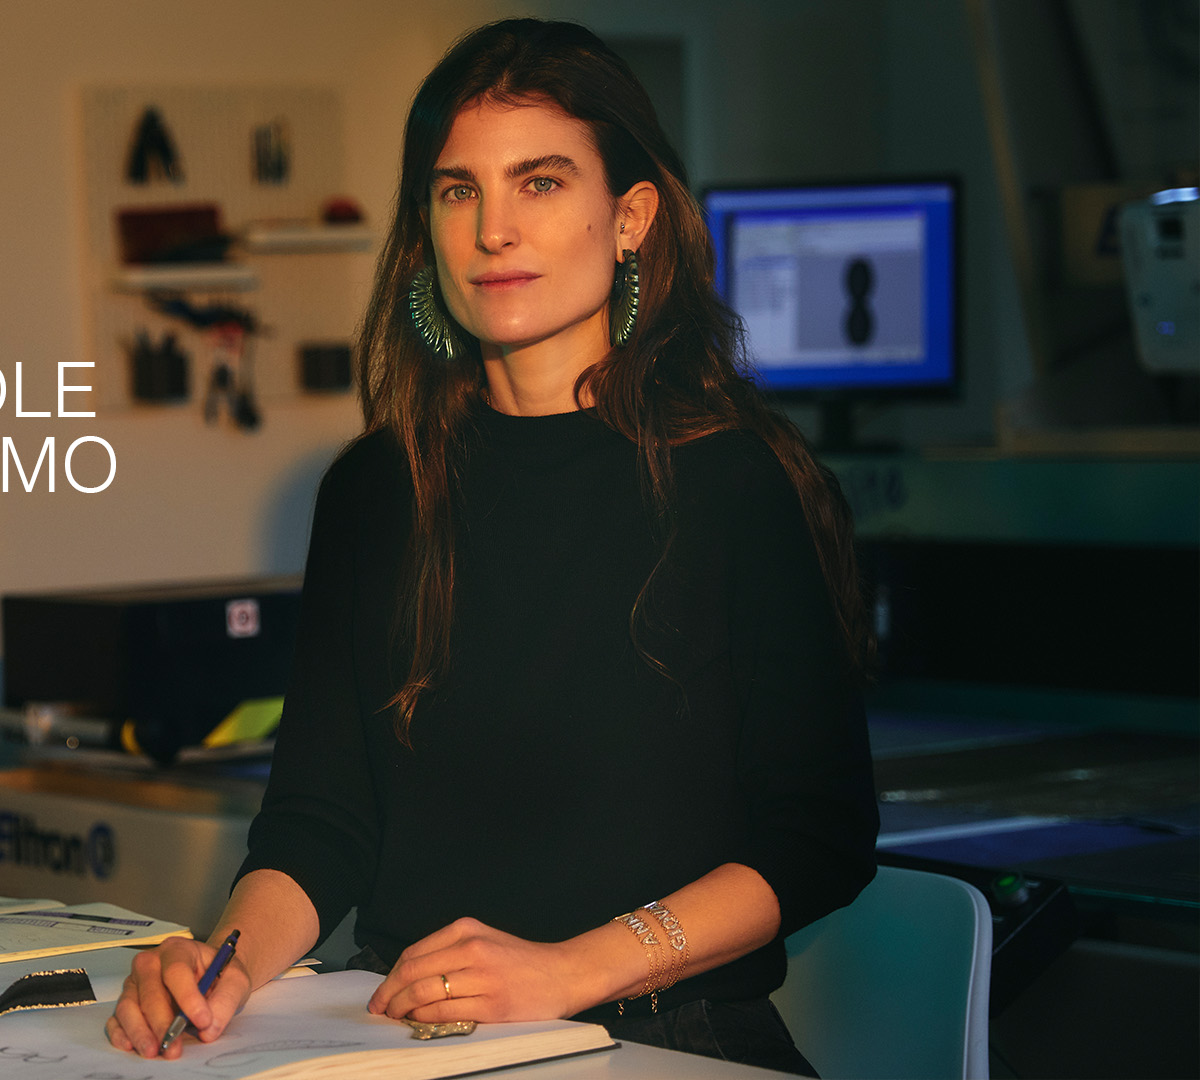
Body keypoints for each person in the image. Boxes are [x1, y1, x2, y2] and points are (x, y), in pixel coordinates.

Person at [107, 18, 878, 1076]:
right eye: (459, 190)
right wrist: (224, 963)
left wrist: (568, 972)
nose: (494, 230)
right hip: (412, 1031)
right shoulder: (377, 490)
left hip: (662, 1036)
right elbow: (321, 822)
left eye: (541, 183)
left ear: (630, 218)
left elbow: (819, 837)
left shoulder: (736, 479)